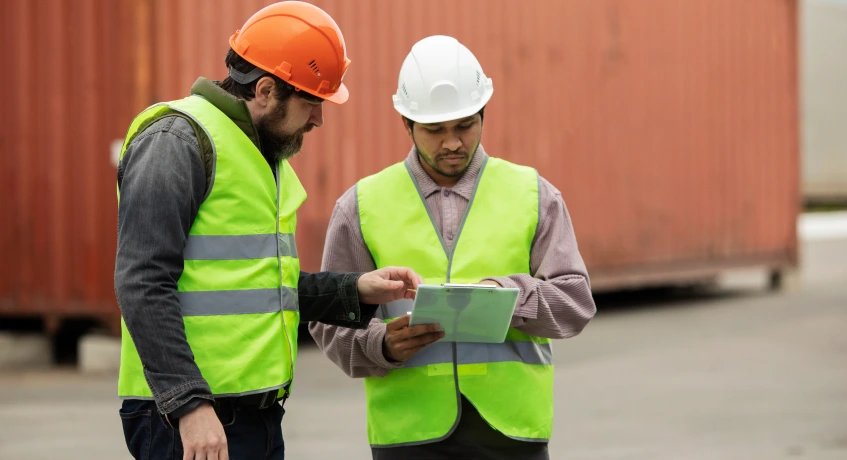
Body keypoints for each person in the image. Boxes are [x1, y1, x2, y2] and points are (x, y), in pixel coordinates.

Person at [114, 3, 423, 459]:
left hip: (253, 418)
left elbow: (258, 288)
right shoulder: (175, 142)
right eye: (312, 102)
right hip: (191, 420)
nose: (318, 118)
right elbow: (142, 281)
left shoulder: (260, 156)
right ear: (265, 90)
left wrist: (355, 290)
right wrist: (188, 405)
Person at [309, 35, 598, 460]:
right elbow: (328, 321)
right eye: (434, 130)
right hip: (408, 434)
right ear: (406, 123)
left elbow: (576, 302)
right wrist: (380, 345)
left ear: (483, 114)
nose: (452, 143)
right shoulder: (361, 206)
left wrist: (508, 296)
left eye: (465, 125)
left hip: (511, 431)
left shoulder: (534, 195)